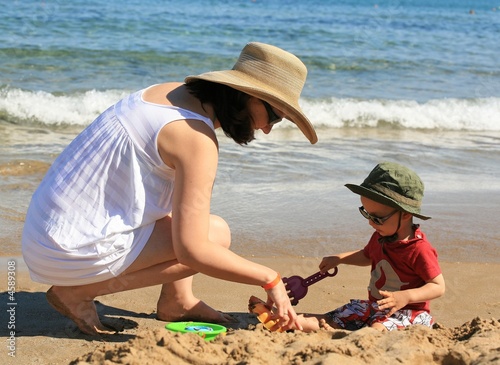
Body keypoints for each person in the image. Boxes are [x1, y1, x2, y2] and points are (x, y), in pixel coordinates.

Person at [21, 42, 317, 335]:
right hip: (66, 248)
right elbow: (193, 251)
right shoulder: (195, 139)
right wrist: (270, 279)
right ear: (249, 96)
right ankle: (77, 293)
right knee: (213, 237)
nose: (267, 129)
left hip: (47, 230)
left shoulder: (169, 94)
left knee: (200, 223)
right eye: (275, 117)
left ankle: (178, 300)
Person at [257, 162, 445, 332]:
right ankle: (292, 322)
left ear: (405, 215)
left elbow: (438, 286)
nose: (371, 223)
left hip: (406, 312)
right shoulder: (381, 235)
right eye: (366, 214)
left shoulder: (418, 249)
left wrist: (406, 297)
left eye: (377, 218)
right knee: (338, 316)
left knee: (377, 328)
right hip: (375, 307)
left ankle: (359, 335)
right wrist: (340, 258)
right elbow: (366, 255)